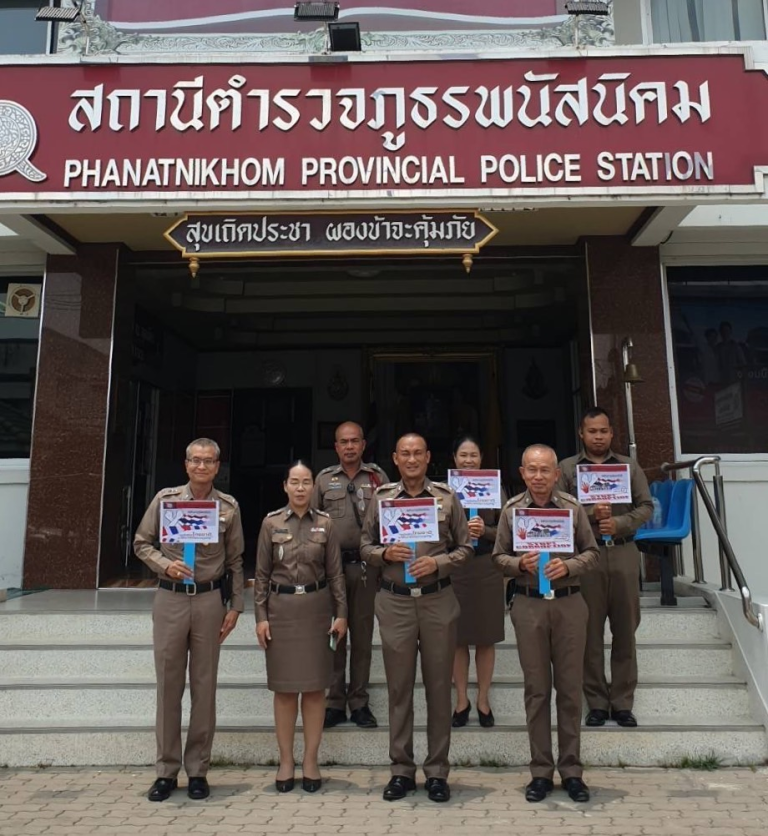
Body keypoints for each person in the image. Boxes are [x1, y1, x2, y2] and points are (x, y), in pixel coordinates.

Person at [360, 433, 472, 804]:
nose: (411, 460)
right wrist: (383, 553)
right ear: (395, 458)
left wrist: (437, 562)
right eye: (404, 454)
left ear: (428, 458)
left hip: (438, 599)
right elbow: (364, 545)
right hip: (395, 602)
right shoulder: (382, 499)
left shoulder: (446, 497)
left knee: (439, 688)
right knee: (399, 689)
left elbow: (466, 547)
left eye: (417, 454)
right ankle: (401, 770)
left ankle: (437, 771)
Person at [134, 438, 245, 803]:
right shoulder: (166, 501)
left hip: (210, 600)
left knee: (204, 687)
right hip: (170, 599)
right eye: (195, 461)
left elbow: (235, 562)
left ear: (217, 466)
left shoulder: (228, 507)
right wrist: (165, 564)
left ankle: (198, 770)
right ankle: (166, 771)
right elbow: (141, 542)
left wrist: (235, 607)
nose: (201, 467)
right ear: (186, 465)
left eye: (208, 461)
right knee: (168, 686)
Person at [492, 444, 598, 804]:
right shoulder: (511, 512)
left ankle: (571, 771)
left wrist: (568, 566)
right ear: (522, 473)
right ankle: (540, 771)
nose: (538, 477)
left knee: (569, 691)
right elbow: (498, 557)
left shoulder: (572, 508)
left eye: (545, 470)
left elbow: (592, 552)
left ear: (557, 474)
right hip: (529, 605)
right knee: (537, 691)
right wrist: (519, 565)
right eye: (532, 470)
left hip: (569, 604)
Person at [255, 461, 348, 794]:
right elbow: (261, 576)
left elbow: (336, 573)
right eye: (294, 481)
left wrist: (341, 614)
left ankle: (310, 760)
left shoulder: (326, 525)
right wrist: (261, 617)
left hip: (316, 611)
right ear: (285, 486)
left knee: (313, 690)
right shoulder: (270, 524)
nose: (300, 488)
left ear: (313, 487)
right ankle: (285, 761)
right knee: (283, 691)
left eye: (306, 482)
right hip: (280, 612)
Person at [557, 408, 653, 729]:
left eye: (603, 431)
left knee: (625, 631)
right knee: (589, 633)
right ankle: (597, 702)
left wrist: (620, 522)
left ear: (612, 434)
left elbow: (646, 507)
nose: (598, 437)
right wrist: (590, 514)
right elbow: (558, 510)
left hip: (624, 553)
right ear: (581, 434)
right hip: (587, 556)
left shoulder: (628, 466)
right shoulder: (568, 469)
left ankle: (623, 703)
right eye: (591, 431)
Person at [311, 421, 389, 730]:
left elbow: (389, 521)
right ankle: (333, 701)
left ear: (363, 445)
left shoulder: (377, 477)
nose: (349, 447)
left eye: (355, 441)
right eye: (343, 442)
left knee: (362, 636)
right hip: (332, 569)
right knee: (333, 636)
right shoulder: (323, 480)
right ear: (336, 447)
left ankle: (359, 701)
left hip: (366, 568)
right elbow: (312, 522)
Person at [449, 434, 508, 729]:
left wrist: (485, 530)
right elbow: (434, 529)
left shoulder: (495, 487)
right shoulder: (445, 491)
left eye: (473, 455)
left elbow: (510, 530)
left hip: (486, 566)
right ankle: (461, 699)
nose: (468, 460)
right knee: (458, 638)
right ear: (454, 459)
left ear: (481, 458)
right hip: (456, 568)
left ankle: (483, 699)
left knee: (485, 637)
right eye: (463, 455)